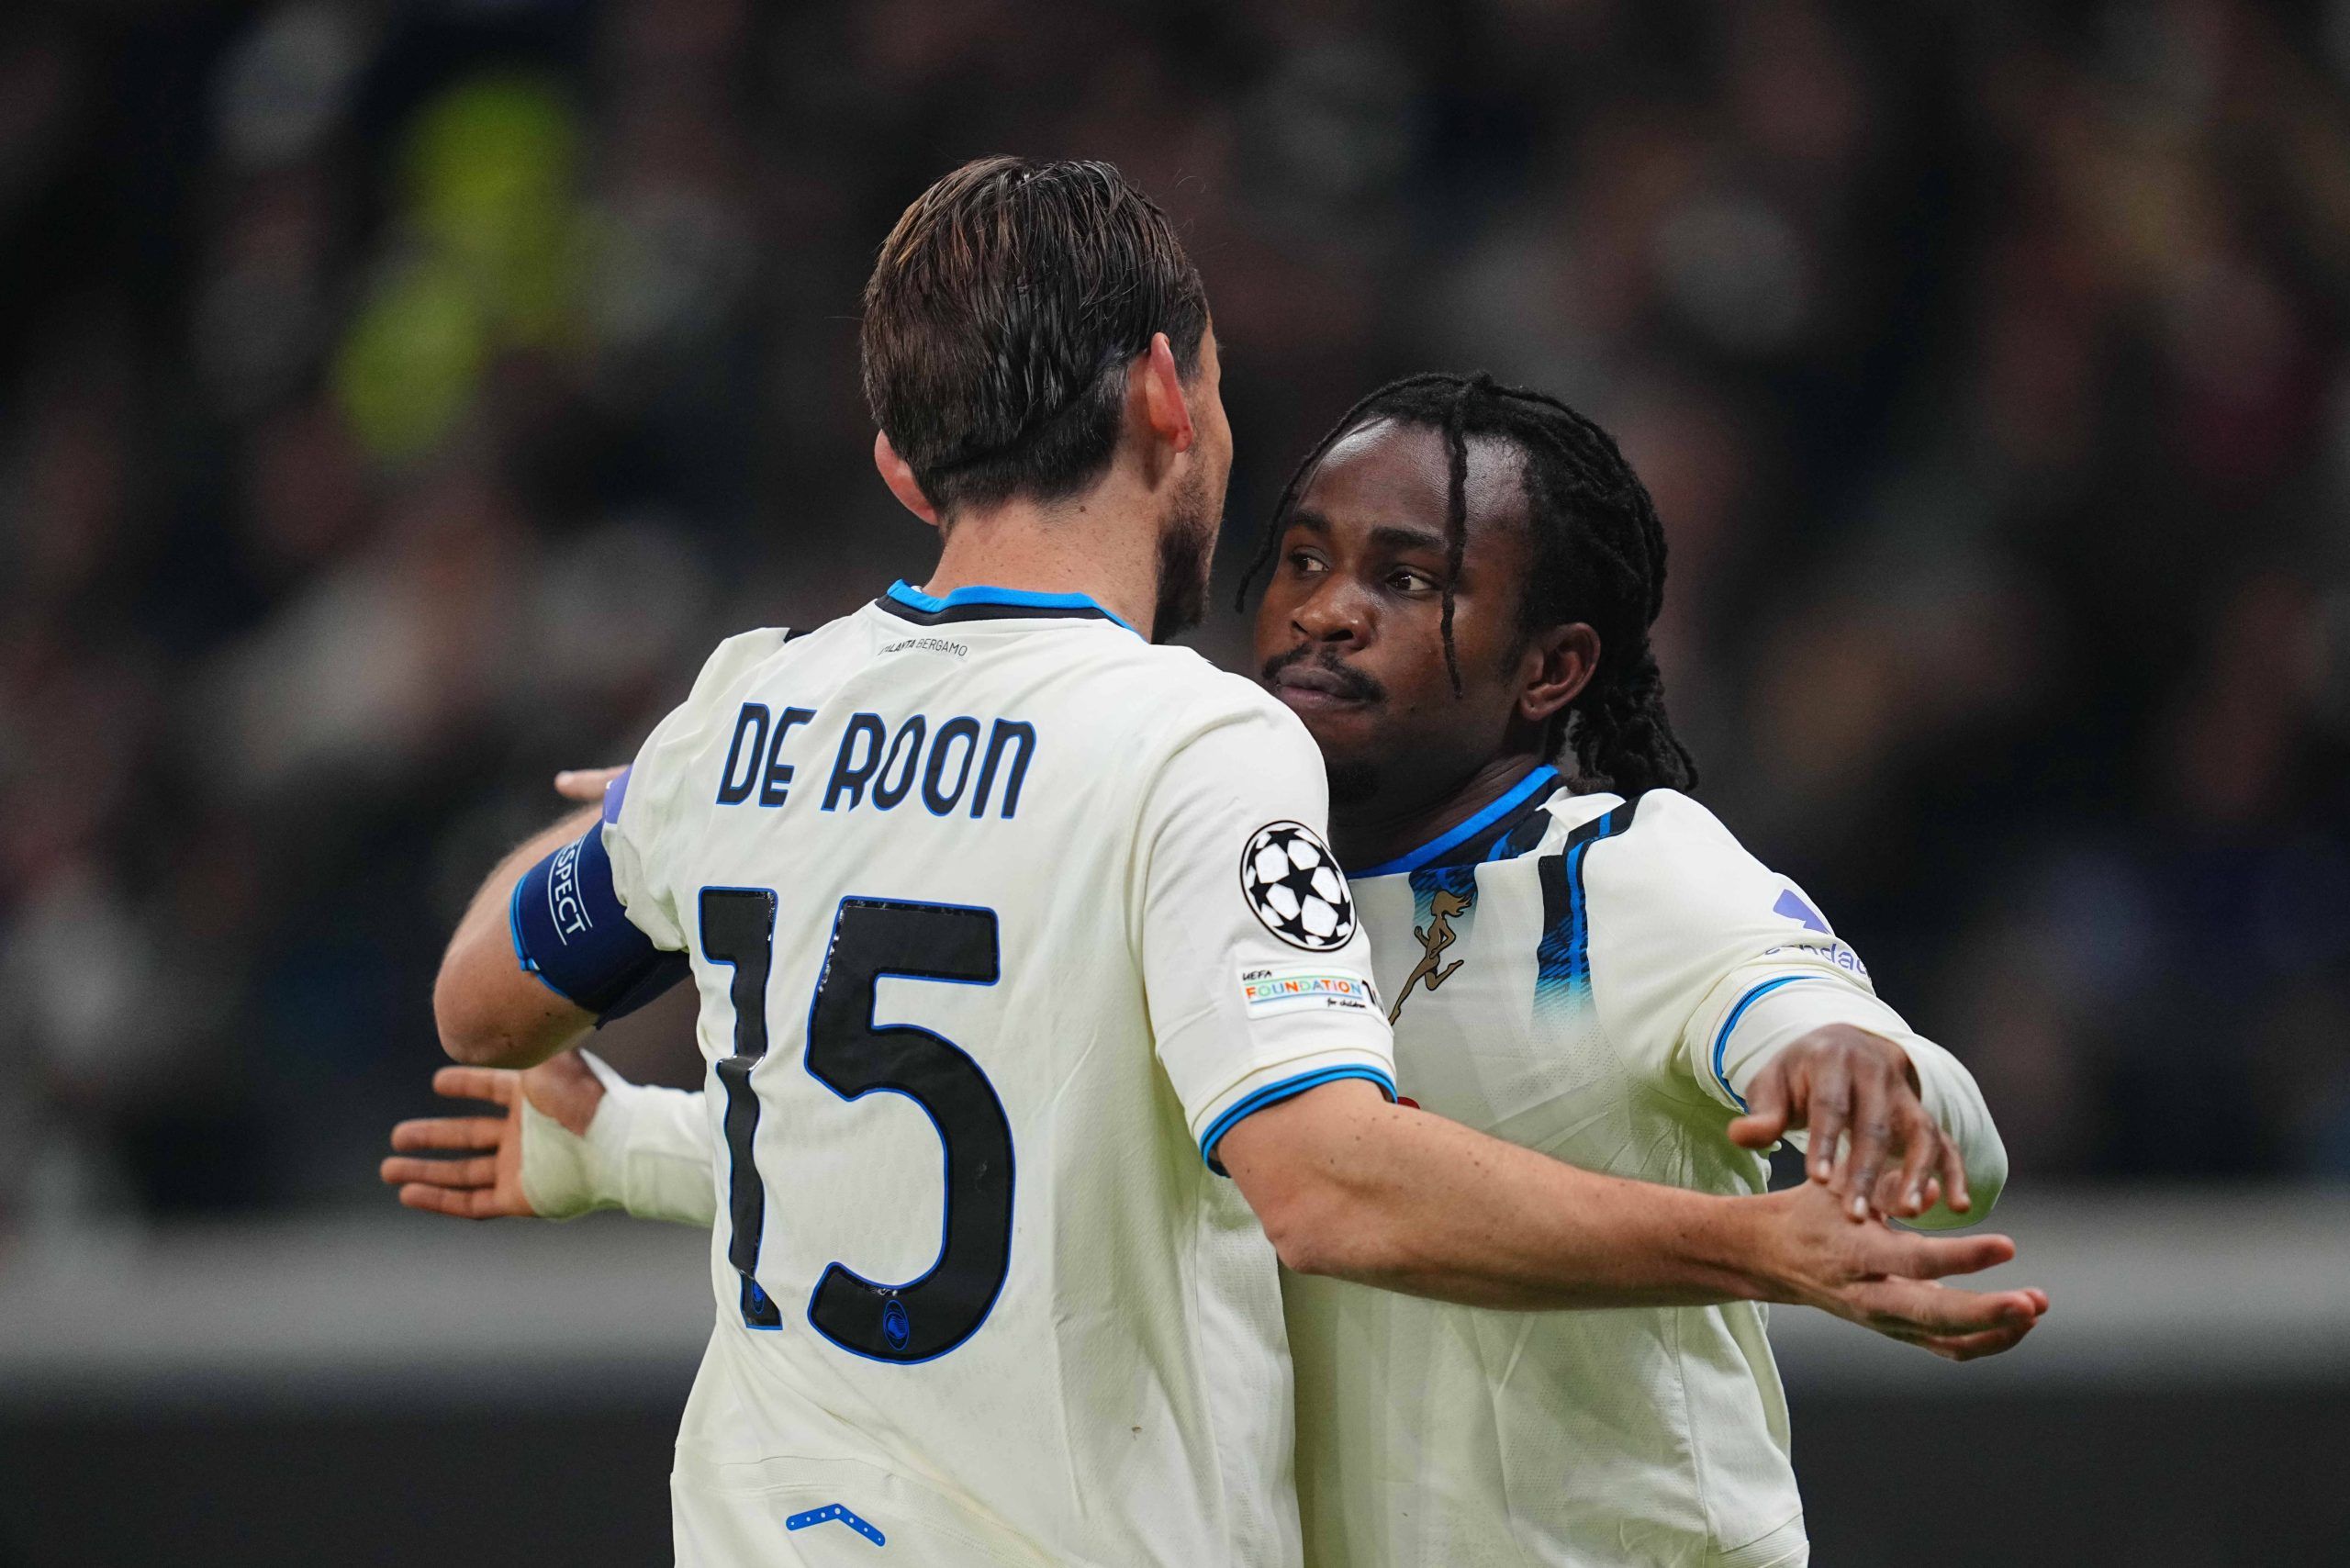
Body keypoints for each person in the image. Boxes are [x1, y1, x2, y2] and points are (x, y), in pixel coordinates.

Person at [419, 157, 2042, 1567]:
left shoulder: (752, 716)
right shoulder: (1194, 760)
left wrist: (657, 809)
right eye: (1311, 559)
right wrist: (1758, 1247)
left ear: (907, 471)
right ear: (1166, 398)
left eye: (1409, 577)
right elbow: (1271, 1175)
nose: (1328, 608)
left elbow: (487, 1005)